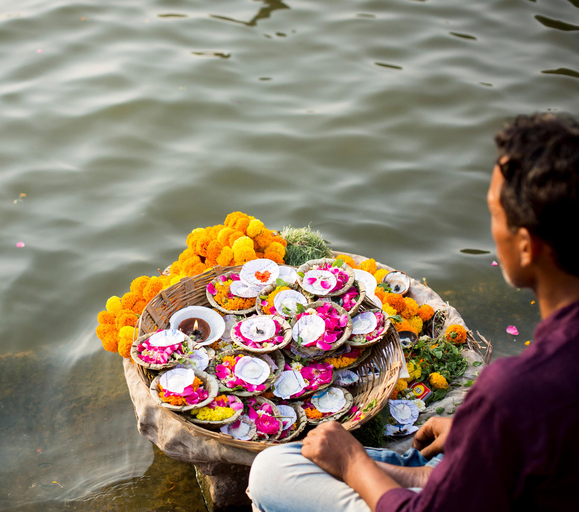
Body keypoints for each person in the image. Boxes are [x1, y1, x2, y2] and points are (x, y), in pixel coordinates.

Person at [248, 112, 579, 512]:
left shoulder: (511, 391)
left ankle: (424, 481)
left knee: (273, 471)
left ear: (526, 246)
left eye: (494, 213)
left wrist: (352, 463)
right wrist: (476, 433)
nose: (492, 228)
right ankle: (428, 478)